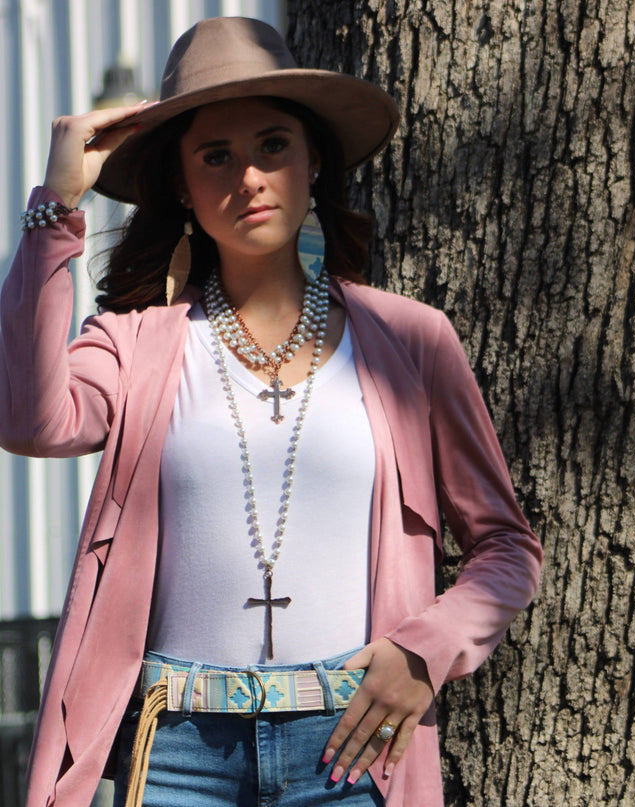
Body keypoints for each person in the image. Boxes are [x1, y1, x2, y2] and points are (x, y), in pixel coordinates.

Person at [0, 16, 543, 807]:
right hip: (176, 750)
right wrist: (57, 205)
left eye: (272, 145)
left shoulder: (410, 340)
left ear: (312, 160)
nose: (248, 176)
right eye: (214, 156)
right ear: (182, 186)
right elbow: (30, 419)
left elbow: (505, 545)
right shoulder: (132, 345)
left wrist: (425, 652)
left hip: (354, 748)